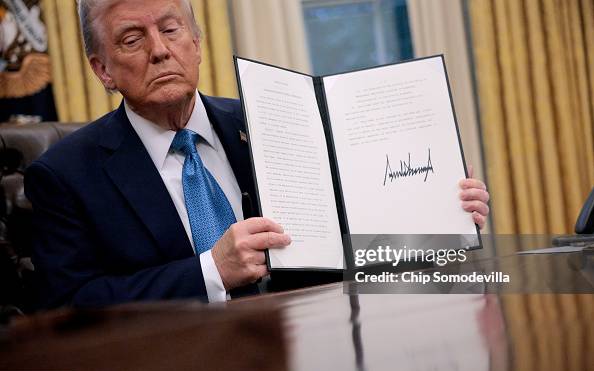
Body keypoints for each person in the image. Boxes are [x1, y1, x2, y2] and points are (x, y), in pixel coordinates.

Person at [24, 0, 490, 309]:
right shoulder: (64, 176)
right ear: (102, 69)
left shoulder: (281, 123)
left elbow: (352, 230)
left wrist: (435, 210)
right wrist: (211, 272)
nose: (161, 50)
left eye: (171, 29)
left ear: (197, 43)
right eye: (132, 39)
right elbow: (70, 305)